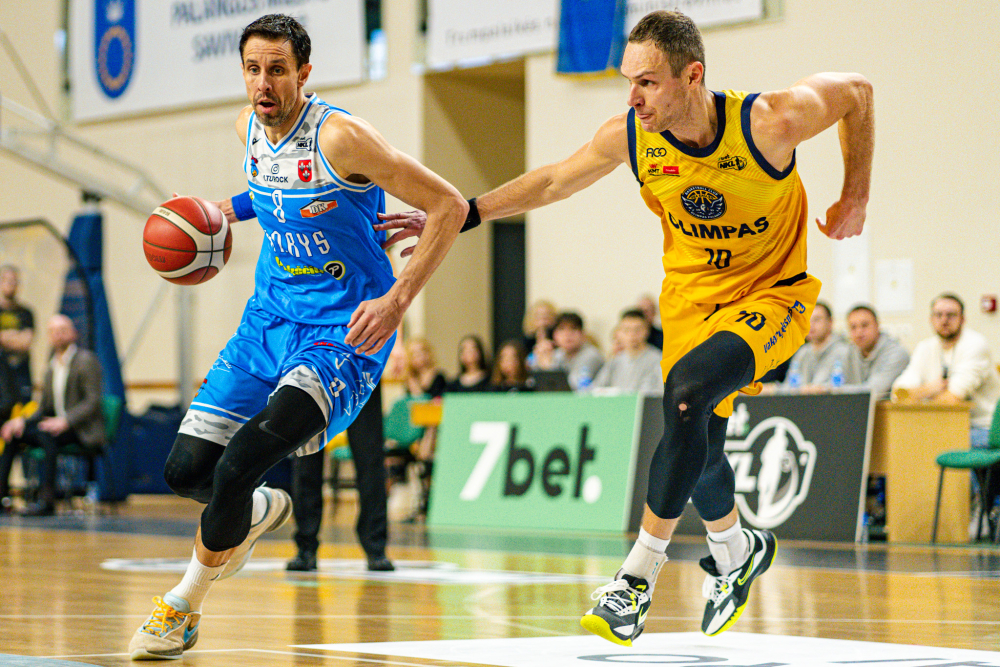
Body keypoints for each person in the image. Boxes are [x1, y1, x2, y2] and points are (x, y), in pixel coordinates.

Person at [377, 10, 872, 644]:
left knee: (687, 396)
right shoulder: (632, 137)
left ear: (692, 76)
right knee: (701, 447)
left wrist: (855, 193)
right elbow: (553, 181)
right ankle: (737, 547)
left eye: (647, 82)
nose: (633, 97)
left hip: (770, 297)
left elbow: (858, 93)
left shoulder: (770, 122)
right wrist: (465, 212)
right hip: (690, 301)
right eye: (628, 81)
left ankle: (635, 578)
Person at [128, 14, 469, 660]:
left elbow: (448, 205)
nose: (263, 82)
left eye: (277, 69)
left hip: (342, 331)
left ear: (304, 73)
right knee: (185, 471)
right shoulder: (247, 128)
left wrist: (398, 299)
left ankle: (182, 607)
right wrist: (220, 211)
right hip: (266, 322)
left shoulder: (343, 138)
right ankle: (255, 511)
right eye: (253, 69)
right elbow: (269, 188)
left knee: (238, 463)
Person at [0, 315, 104, 516]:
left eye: (63, 330)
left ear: (73, 333)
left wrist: (65, 420)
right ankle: (2, 497)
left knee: (46, 436)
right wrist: (20, 421)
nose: (58, 335)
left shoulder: (85, 360)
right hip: (54, 426)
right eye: (53, 331)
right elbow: (43, 408)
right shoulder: (52, 365)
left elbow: (92, 401)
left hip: (81, 428)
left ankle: (47, 500)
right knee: (13, 434)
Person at [286, 381, 394, 573]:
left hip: (362, 370)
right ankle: (306, 547)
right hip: (315, 370)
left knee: (370, 461)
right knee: (306, 460)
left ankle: (376, 548)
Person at [892, 294, 1000, 448]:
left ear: (963, 319)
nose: (944, 320)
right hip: (942, 424)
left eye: (951, 315)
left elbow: (953, 399)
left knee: (931, 442)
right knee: (909, 439)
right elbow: (898, 393)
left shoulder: (975, 345)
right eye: (938, 315)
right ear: (931, 319)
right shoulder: (925, 347)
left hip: (982, 427)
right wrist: (929, 389)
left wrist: (917, 395)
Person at [781, 301, 852, 391]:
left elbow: (841, 387)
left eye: (817, 319)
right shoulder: (802, 352)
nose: (811, 325)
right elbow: (789, 386)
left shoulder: (844, 351)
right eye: (806, 320)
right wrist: (774, 388)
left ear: (830, 322)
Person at [843, 304, 909, 400]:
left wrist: (834, 390)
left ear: (877, 325)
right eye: (853, 327)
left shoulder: (896, 353)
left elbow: (873, 392)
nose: (859, 332)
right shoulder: (848, 351)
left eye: (864, 325)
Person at [590, 310, 662, 394]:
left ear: (647, 331)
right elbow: (596, 388)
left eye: (637, 330)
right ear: (619, 333)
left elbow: (657, 392)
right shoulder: (615, 360)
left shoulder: (657, 359)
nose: (632, 334)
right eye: (627, 330)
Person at [0, 265, 35, 405]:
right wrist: (15, 336)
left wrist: (5, 337)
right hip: (2, 371)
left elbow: (25, 342)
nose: (11, 284)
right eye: (7, 280)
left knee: (24, 407)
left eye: (14, 281)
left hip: (21, 369)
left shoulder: (26, 312)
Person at [547, 312, 605, 390]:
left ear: (582, 334)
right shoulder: (558, 354)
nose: (567, 334)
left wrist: (548, 368)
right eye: (562, 329)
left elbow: (575, 386)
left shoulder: (591, 355)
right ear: (554, 335)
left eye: (573, 328)